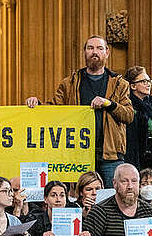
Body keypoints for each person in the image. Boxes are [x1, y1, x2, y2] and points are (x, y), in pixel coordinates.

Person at [25, 36, 135, 187]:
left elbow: (129, 115)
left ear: (107, 52)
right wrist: (37, 104)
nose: (94, 52)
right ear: (84, 52)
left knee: (111, 198)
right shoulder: (69, 83)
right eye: (90, 48)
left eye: (99, 48)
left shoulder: (119, 84)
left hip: (110, 155)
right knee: (77, 198)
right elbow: (53, 110)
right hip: (77, 153)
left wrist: (108, 103)